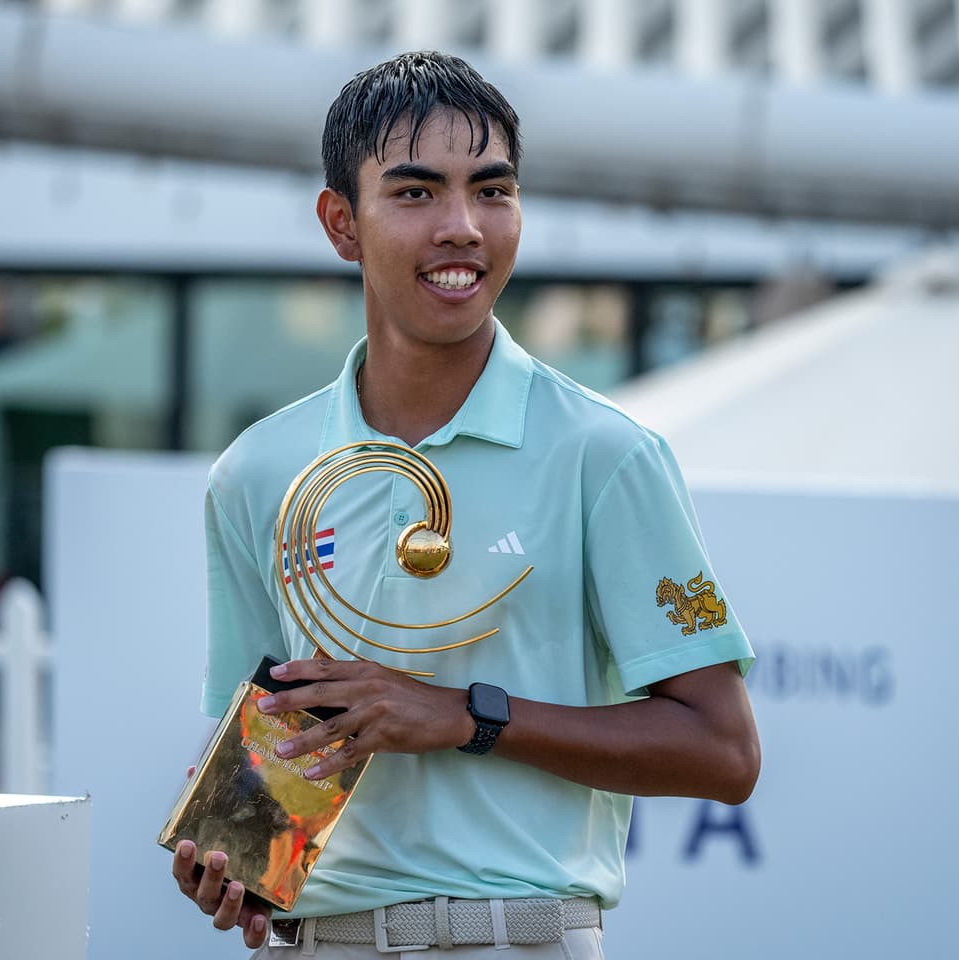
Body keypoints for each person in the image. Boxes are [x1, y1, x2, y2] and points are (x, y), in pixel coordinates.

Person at [171, 50, 759, 958]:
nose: (464, 227)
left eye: (493, 191)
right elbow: (262, 757)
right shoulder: (257, 472)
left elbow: (724, 753)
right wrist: (235, 856)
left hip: (516, 939)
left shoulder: (603, 454)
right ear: (341, 223)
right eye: (415, 194)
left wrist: (463, 717)